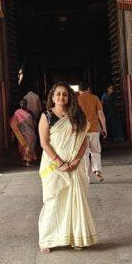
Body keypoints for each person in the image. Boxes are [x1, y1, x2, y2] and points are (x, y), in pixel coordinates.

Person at [38, 83, 97, 252]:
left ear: (69, 96)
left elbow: (83, 140)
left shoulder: (76, 115)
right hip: (53, 166)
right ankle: (48, 239)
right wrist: (60, 163)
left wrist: (77, 160)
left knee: (75, 201)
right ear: (53, 96)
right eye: (58, 94)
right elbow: (44, 143)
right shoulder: (47, 116)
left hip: (74, 165)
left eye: (65, 94)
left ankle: (76, 238)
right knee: (54, 200)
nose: (61, 97)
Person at [77, 82, 107, 182]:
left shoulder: (76, 100)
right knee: (95, 151)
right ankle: (97, 171)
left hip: (82, 130)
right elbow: (101, 114)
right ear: (88, 89)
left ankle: (87, 177)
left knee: (84, 153)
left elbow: (73, 116)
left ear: (79, 90)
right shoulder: (95, 98)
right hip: (94, 128)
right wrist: (104, 128)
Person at [10, 99, 37, 167]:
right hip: (21, 133)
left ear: (26, 103)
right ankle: (24, 160)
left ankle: (28, 161)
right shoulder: (17, 112)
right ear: (20, 104)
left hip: (30, 133)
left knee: (29, 146)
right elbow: (13, 123)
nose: (23, 104)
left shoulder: (30, 112)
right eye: (21, 103)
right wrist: (13, 133)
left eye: (24, 103)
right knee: (22, 146)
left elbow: (34, 122)